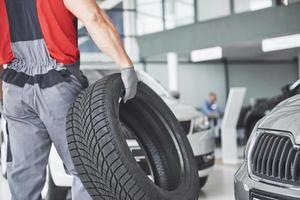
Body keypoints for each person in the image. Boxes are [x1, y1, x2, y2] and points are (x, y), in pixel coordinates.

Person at [0, 0, 138, 199]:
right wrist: (125, 64)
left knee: (23, 175)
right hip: (57, 84)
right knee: (86, 168)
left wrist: (4, 90)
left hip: (14, 86)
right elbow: (94, 17)